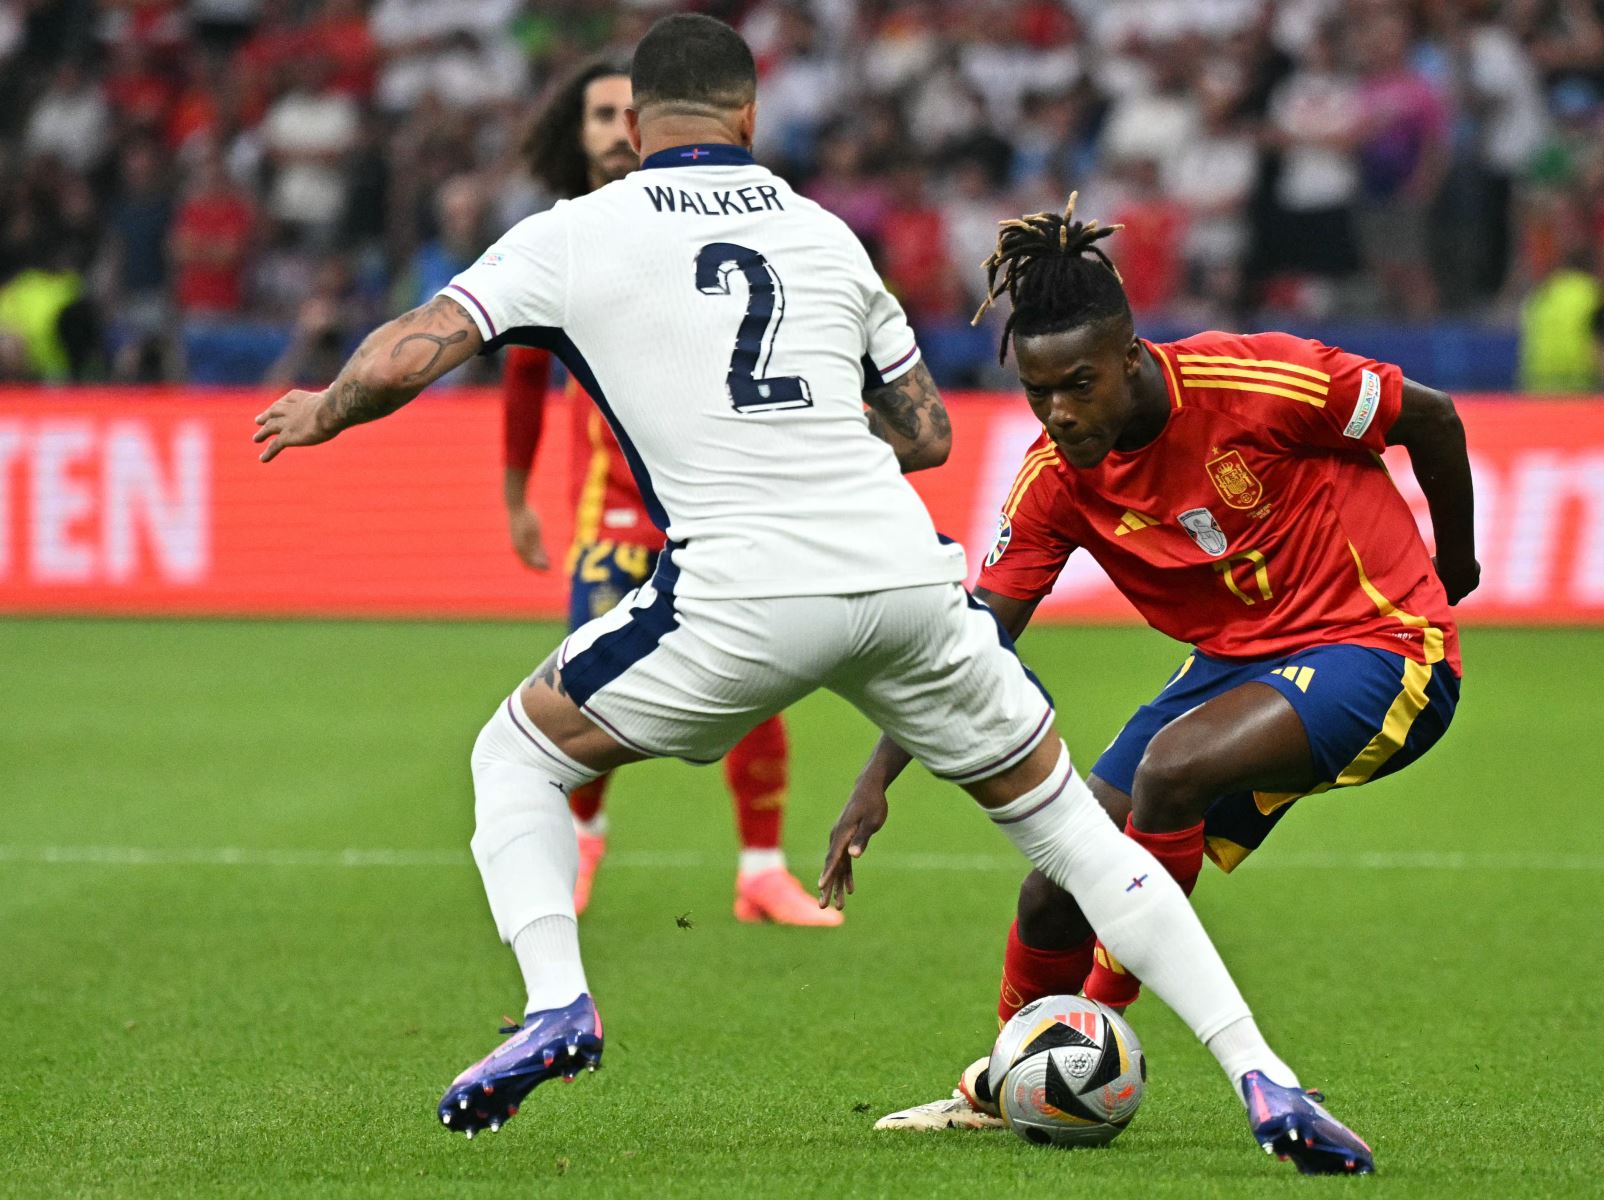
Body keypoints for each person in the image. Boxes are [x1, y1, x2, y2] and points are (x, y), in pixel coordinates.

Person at [253, 14, 1330, 1159]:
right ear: (750, 116)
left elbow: (419, 342)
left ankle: (558, 1002)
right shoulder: (823, 233)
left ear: (638, 124)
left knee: (516, 754)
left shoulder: (573, 232)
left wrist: (325, 408)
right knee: (1077, 837)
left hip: (745, 589)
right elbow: (923, 433)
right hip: (905, 576)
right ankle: (1265, 1075)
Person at [826, 197, 1479, 1174]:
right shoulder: (1056, 477)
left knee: (1171, 772)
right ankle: (1010, 1079)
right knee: (1054, 888)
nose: (1060, 412)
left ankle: (1090, 1035)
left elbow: (1430, 414)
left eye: (1078, 385)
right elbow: (971, 636)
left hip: (1381, 645)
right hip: (1231, 665)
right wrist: (879, 779)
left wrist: (1454, 567)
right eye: (1039, 392)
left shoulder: (1257, 380)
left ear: (1130, 355)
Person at [499, 57, 825, 924]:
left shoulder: (709, 219)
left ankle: (760, 868)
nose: (612, 129)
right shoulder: (566, 234)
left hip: (725, 506)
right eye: (597, 114)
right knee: (591, 693)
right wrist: (514, 491)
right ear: (582, 133)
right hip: (617, 514)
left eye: (623, 113)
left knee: (760, 679)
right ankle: (584, 845)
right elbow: (525, 372)